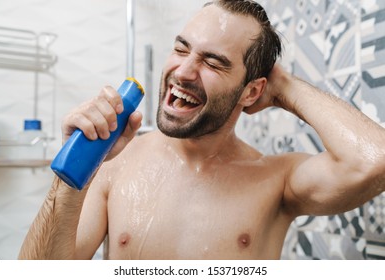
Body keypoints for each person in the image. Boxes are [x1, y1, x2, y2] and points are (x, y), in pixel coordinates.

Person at [19, 0, 385, 260]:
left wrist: (285, 86)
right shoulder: (114, 164)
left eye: (213, 62)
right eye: (181, 49)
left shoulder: (276, 181)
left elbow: (373, 160)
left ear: (252, 90)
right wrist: (72, 174)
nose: (182, 71)